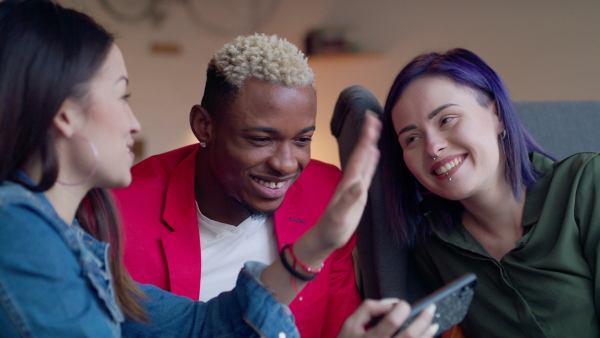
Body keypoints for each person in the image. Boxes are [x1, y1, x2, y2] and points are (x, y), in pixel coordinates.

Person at [0, 0, 441, 337]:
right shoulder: (18, 229)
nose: (134, 123)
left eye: (302, 139)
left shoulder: (72, 246)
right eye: (122, 95)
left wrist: (316, 246)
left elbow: (204, 326)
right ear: (65, 114)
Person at [113, 33, 361, 337]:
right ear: (204, 126)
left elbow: (338, 327)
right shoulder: (118, 213)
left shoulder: (325, 194)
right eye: (260, 139)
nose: (285, 164)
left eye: (302, 140)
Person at [379, 47, 600, 337]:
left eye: (446, 120)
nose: (432, 147)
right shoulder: (429, 245)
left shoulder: (585, 183)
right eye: (412, 138)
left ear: (497, 115)